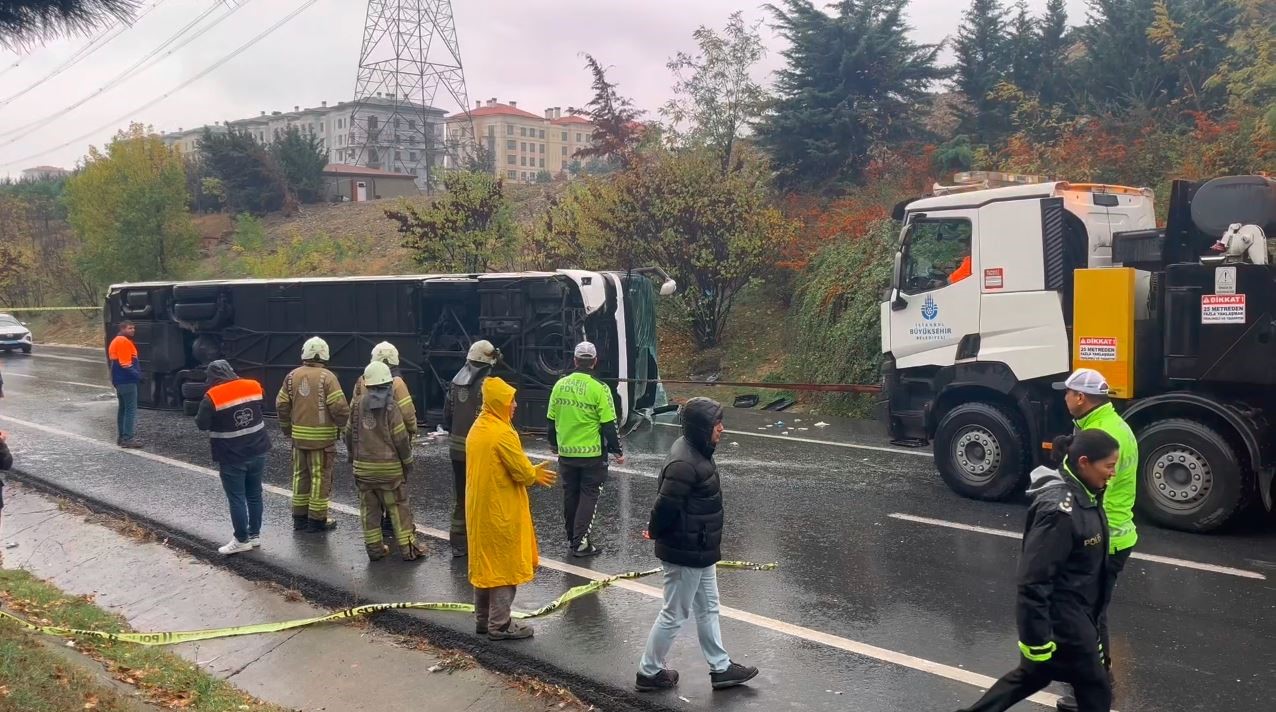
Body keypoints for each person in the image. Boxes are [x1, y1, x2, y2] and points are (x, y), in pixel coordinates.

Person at [953, 429, 1120, 712]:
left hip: (1079, 619)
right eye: (1109, 466)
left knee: (1033, 676)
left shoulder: (1089, 493)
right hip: (1065, 624)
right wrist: (1036, 641)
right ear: (1084, 462)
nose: (1113, 473)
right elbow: (1034, 580)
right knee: (1096, 690)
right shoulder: (1060, 512)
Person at [635, 397, 758, 693]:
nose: (722, 429)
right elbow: (665, 505)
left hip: (699, 549)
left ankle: (721, 668)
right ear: (703, 428)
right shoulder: (685, 462)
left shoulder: (697, 449)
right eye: (717, 424)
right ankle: (648, 672)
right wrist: (653, 530)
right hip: (684, 551)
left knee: (709, 608)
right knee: (674, 613)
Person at [1052, 368, 1138, 712]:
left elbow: (1082, 492)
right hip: (1112, 534)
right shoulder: (1108, 426)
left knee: (1085, 616)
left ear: (1080, 398)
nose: (1064, 397)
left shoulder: (1102, 435)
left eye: (1067, 392)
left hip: (1101, 540)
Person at [466, 376, 556, 640]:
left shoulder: (478, 427)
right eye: (510, 401)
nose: (515, 405)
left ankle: (483, 621)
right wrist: (533, 473)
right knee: (504, 566)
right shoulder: (503, 433)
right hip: (500, 510)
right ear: (499, 404)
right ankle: (500, 624)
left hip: (479, 509)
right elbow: (521, 473)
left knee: (485, 565)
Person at [547, 341, 623, 558]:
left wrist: (553, 444)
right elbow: (609, 423)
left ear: (574, 360)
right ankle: (580, 543)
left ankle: (572, 537)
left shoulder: (560, 385)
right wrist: (618, 450)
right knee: (589, 495)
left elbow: (550, 420)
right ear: (595, 362)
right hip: (592, 455)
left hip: (566, 453)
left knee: (570, 494)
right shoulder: (600, 388)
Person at [348, 361, 423, 562]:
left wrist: (352, 458)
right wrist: (408, 463)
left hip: (362, 470)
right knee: (399, 509)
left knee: (369, 511)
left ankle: (374, 550)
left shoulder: (356, 404)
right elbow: (401, 439)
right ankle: (409, 551)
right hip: (390, 473)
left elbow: (348, 434)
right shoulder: (392, 407)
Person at [195, 360, 271, 556]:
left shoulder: (212, 396)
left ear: (212, 377)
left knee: (236, 497)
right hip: (258, 450)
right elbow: (263, 403)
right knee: (254, 494)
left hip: (232, 455)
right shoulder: (253, 385)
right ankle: (254, 535)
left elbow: (201, 424)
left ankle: (241, 539)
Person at [276, 336, 350, 533]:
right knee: (319, 478)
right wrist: (347, 430)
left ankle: (299, 518)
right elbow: (340, 408)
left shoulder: (291, 376)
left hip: (298, 440)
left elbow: (281, 404)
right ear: (324, 355)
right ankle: (317, 521)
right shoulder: (328, 377)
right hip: (321, 442)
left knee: (300, 476)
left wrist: (287, 429)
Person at [442, 339, 500, 558]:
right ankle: (482, 542)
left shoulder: (455, 383)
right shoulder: (488, 384)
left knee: (461, 496)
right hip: (479, 452)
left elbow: (447, 417)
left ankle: (458, 542)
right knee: (483, 497)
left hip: (456, 451)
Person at [108, 321, 143, 448]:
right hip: (127, 380)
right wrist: (138, 375)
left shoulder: (115, 341)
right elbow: (125, 363)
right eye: (130, 328)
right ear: (122, 329)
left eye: (133, 328)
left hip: (119, 380)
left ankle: (121, 437)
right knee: (130, 410)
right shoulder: (123, 342)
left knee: (122, 409)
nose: (133, 330)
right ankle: (128, 438)